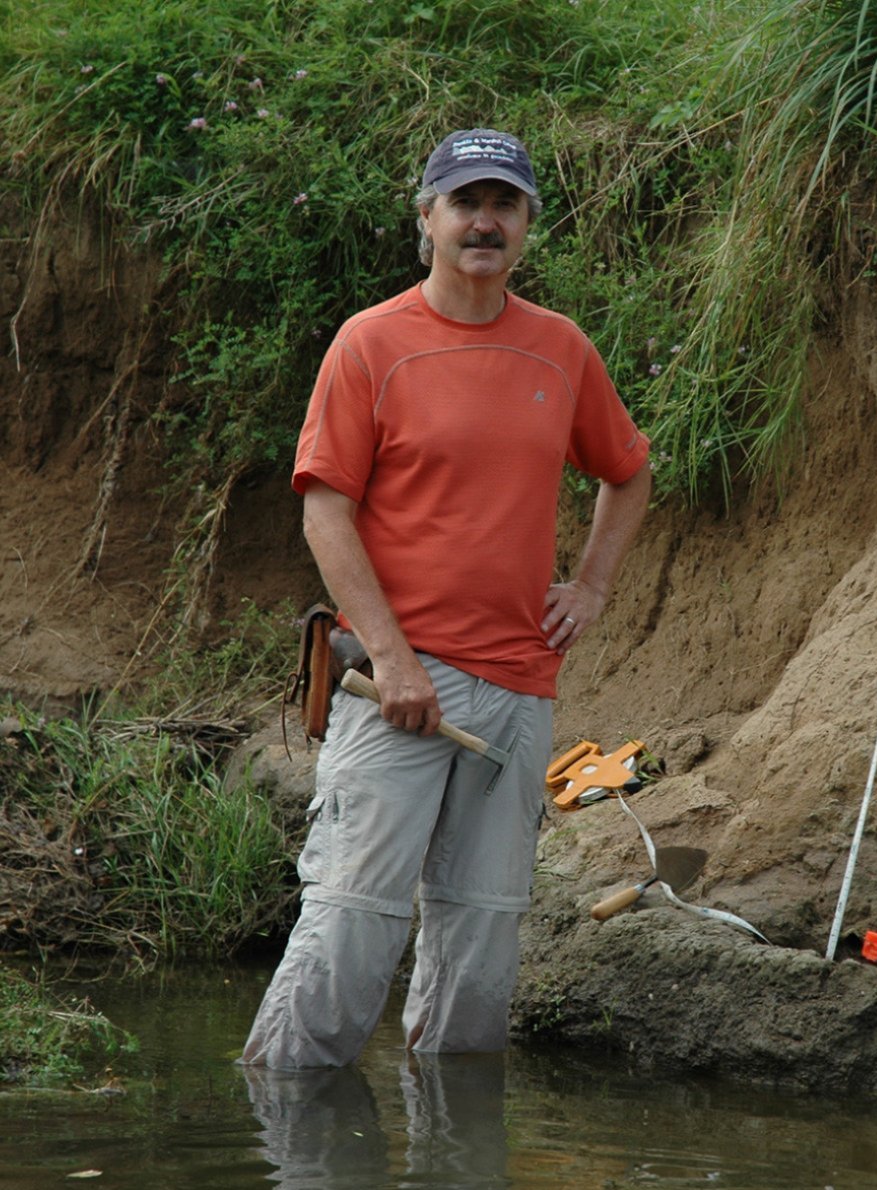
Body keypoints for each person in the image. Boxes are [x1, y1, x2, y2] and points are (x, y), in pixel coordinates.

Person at [240, 128, 651, 1069]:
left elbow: (626, 473)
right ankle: (288, 1135)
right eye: (464, 202)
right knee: (349, 928)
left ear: (526, 227)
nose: (484, 222)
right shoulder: (370, 343)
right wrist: (390, 658)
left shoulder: (560, 350)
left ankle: (460, 1154)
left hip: (517, 696)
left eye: (504, 205)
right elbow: (326, 515)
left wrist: (588, 586)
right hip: (390, 693)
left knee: (480, 955)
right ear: (426, 218)